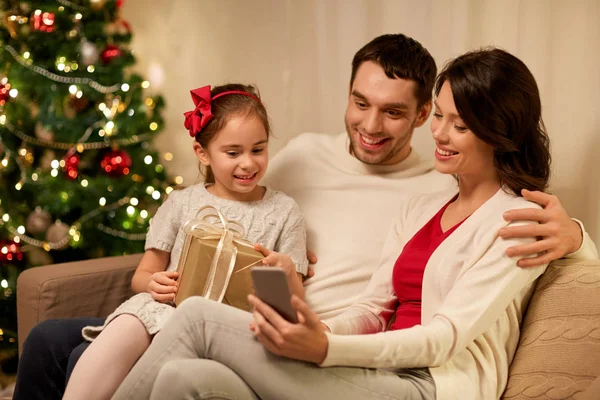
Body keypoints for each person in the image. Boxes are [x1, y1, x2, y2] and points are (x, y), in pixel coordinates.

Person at [12, 34, 596, 400]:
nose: (372, 125)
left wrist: (575, 235)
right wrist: (302, 315)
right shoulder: (417, 201)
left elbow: (446, 336)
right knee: (176, 378)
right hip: (318, 341)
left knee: (193, 322)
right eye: (361, 103)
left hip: (418, 381)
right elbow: (370, 304)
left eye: (452, 123)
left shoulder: (506, 217)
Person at [61, 83, 309, 400]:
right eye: (233, 153)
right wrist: (153, 284)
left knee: (172, 353)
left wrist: (287, 271)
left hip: (231, 326)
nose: (248, 163)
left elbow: (297, 307)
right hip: (165, 308)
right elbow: (143, 274)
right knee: (126, 325)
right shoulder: (182, 204)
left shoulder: (284, 212)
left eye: (258, 150)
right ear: (202, 153)